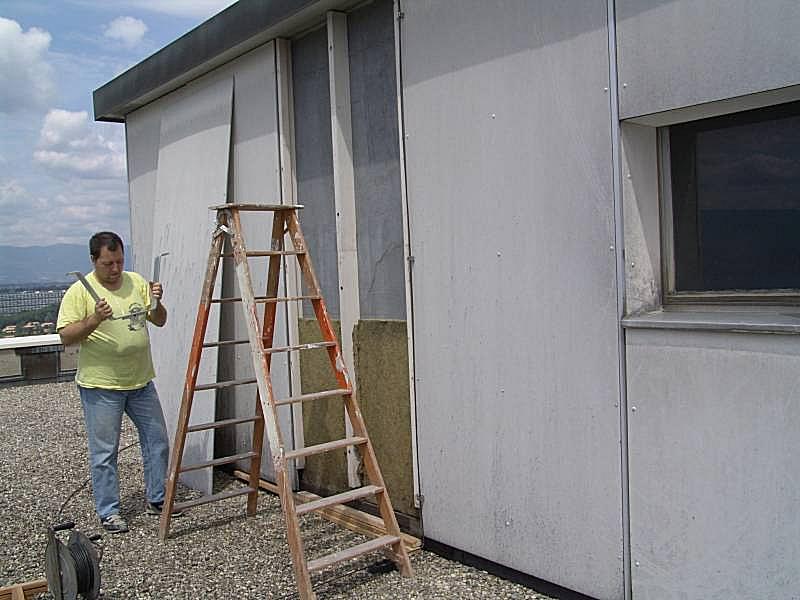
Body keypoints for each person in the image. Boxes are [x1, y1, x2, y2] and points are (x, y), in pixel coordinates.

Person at [57, 231, 179, 534]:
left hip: (140, 382)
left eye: (119, 262)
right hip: (101, 386)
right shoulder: (79, 291)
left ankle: (157, 499)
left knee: (157, 441)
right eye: (108, 263)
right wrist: (93, 320)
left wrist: (156, 302)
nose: (114, 269)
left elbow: (159, 320)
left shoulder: (136, 282)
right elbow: (66, 336)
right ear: (94, 261)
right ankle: (109, 511)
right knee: (104, 451)